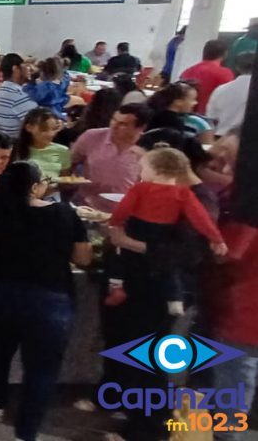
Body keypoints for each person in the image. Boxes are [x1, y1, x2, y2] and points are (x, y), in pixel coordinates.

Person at [0, 161, 92, 441]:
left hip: (1, 296)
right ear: (35, 186)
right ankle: (27, 432)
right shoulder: (65, 214)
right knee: (42, 370)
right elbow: (83, 259)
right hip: (51, 300)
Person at [106, 148, 226, 316]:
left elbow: (123, 209)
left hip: (142, 240)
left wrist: (116, 226)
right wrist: (216, 238)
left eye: (143, 168)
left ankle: (116, 285)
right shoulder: (184, 193)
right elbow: (200, 219)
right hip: (158, 242)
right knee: (166, 270)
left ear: (157, 170)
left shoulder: (143, 189)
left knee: (119, 254)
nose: (140, 173)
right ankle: (174, 300)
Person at [70, 103, 150, 211]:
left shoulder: (148, 149)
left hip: (125, 211)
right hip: (86, 207)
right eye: (113, 119)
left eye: (123, 124)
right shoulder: (92, 136)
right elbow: (70, 163)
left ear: (140, 128)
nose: (114, 126)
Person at [177, 39, 235, 113]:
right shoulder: (225, 73)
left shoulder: (187, 72)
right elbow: (229, 98)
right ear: (225, 54)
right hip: (209, 118)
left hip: (186, 116)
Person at [0, 53, 38, 137]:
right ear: (15, 69)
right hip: (17, 146)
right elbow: (39, 124)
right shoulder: (18, 95)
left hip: (3, 143)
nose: (28, 70)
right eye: (25, 67)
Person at [12, 108, 71, 180]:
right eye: (44, 129)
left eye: (54, 129)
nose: (50, 134)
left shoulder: (63, 151)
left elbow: (65, 181)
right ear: (29, 127)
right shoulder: (15, 149)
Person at [207, 54, 252, 136]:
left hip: (220, 138)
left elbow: (210, 118)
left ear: (237, 67)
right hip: (248, 141)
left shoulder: (220, 89)